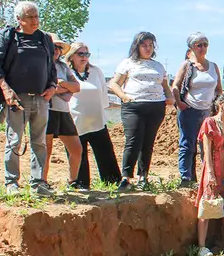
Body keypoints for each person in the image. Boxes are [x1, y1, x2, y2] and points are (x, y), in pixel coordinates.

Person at [0, 1, 57, 196]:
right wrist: (6, 90)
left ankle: (38, 183)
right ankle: (12, 183)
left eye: (37, 16)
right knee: (14, 141)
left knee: (40, 142)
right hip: (16, 98)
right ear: (19, 19)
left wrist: (52, 86)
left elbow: (51, 66)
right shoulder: (7, 37)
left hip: (41, 98)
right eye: (30, 17)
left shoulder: (44, 39)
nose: (35, 20)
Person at [109, 32, 175, 191]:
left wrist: (170, 98)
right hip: (134, 106)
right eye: (144, 45)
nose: (147, 48)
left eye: (150, 45)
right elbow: (114, 83)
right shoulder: (127, 63)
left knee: (148, 142)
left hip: (156, 107)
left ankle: (143, 176)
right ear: (137, 46)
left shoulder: (158, 66)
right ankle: (126, 177)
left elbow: (165, 86)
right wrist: (124, 97)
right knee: (133, 140)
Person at [65, 42, 121, 189]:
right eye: (80, 54)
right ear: (71, 57)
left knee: (105, 153)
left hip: (96, 119)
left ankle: (113, 182)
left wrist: (103, 110)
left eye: (86, 54)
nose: (84, 57)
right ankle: (81, 183)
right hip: (76, 121)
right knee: (79, 154)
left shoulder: (96, 72)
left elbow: (103, 93)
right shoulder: (66, 72)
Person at [173, 32, 222, 186]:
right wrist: (180, 104)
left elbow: (219, 89)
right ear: (191, 47)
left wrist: (217, 106)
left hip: (207, 112)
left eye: (205, 44)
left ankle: (205, 178)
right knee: (187, 145)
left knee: (206, 145)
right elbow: (175, 86)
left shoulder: (213, 66)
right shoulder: (187, 65)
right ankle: (186, 178)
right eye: (198, 45)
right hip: (189, 110)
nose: (202, 48)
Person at [195, 94, 224, 256]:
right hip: (213, 167)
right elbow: (206, 149)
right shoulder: (209, 122)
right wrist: (210, 173)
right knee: (207, 203)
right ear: (220, 104)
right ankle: (201, 246)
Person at [43, 34, 83, 188]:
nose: (57, 50)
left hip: (63, 111)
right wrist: (62, 88)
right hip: (47, 110)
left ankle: (72, 181)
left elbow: (77, 87)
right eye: (54, 47)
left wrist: (59, 85)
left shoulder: (63, 66)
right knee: (46, 149)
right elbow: (43, 88)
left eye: (59, 48)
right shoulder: (41, 64)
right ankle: (42, 181)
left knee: (76, 148)